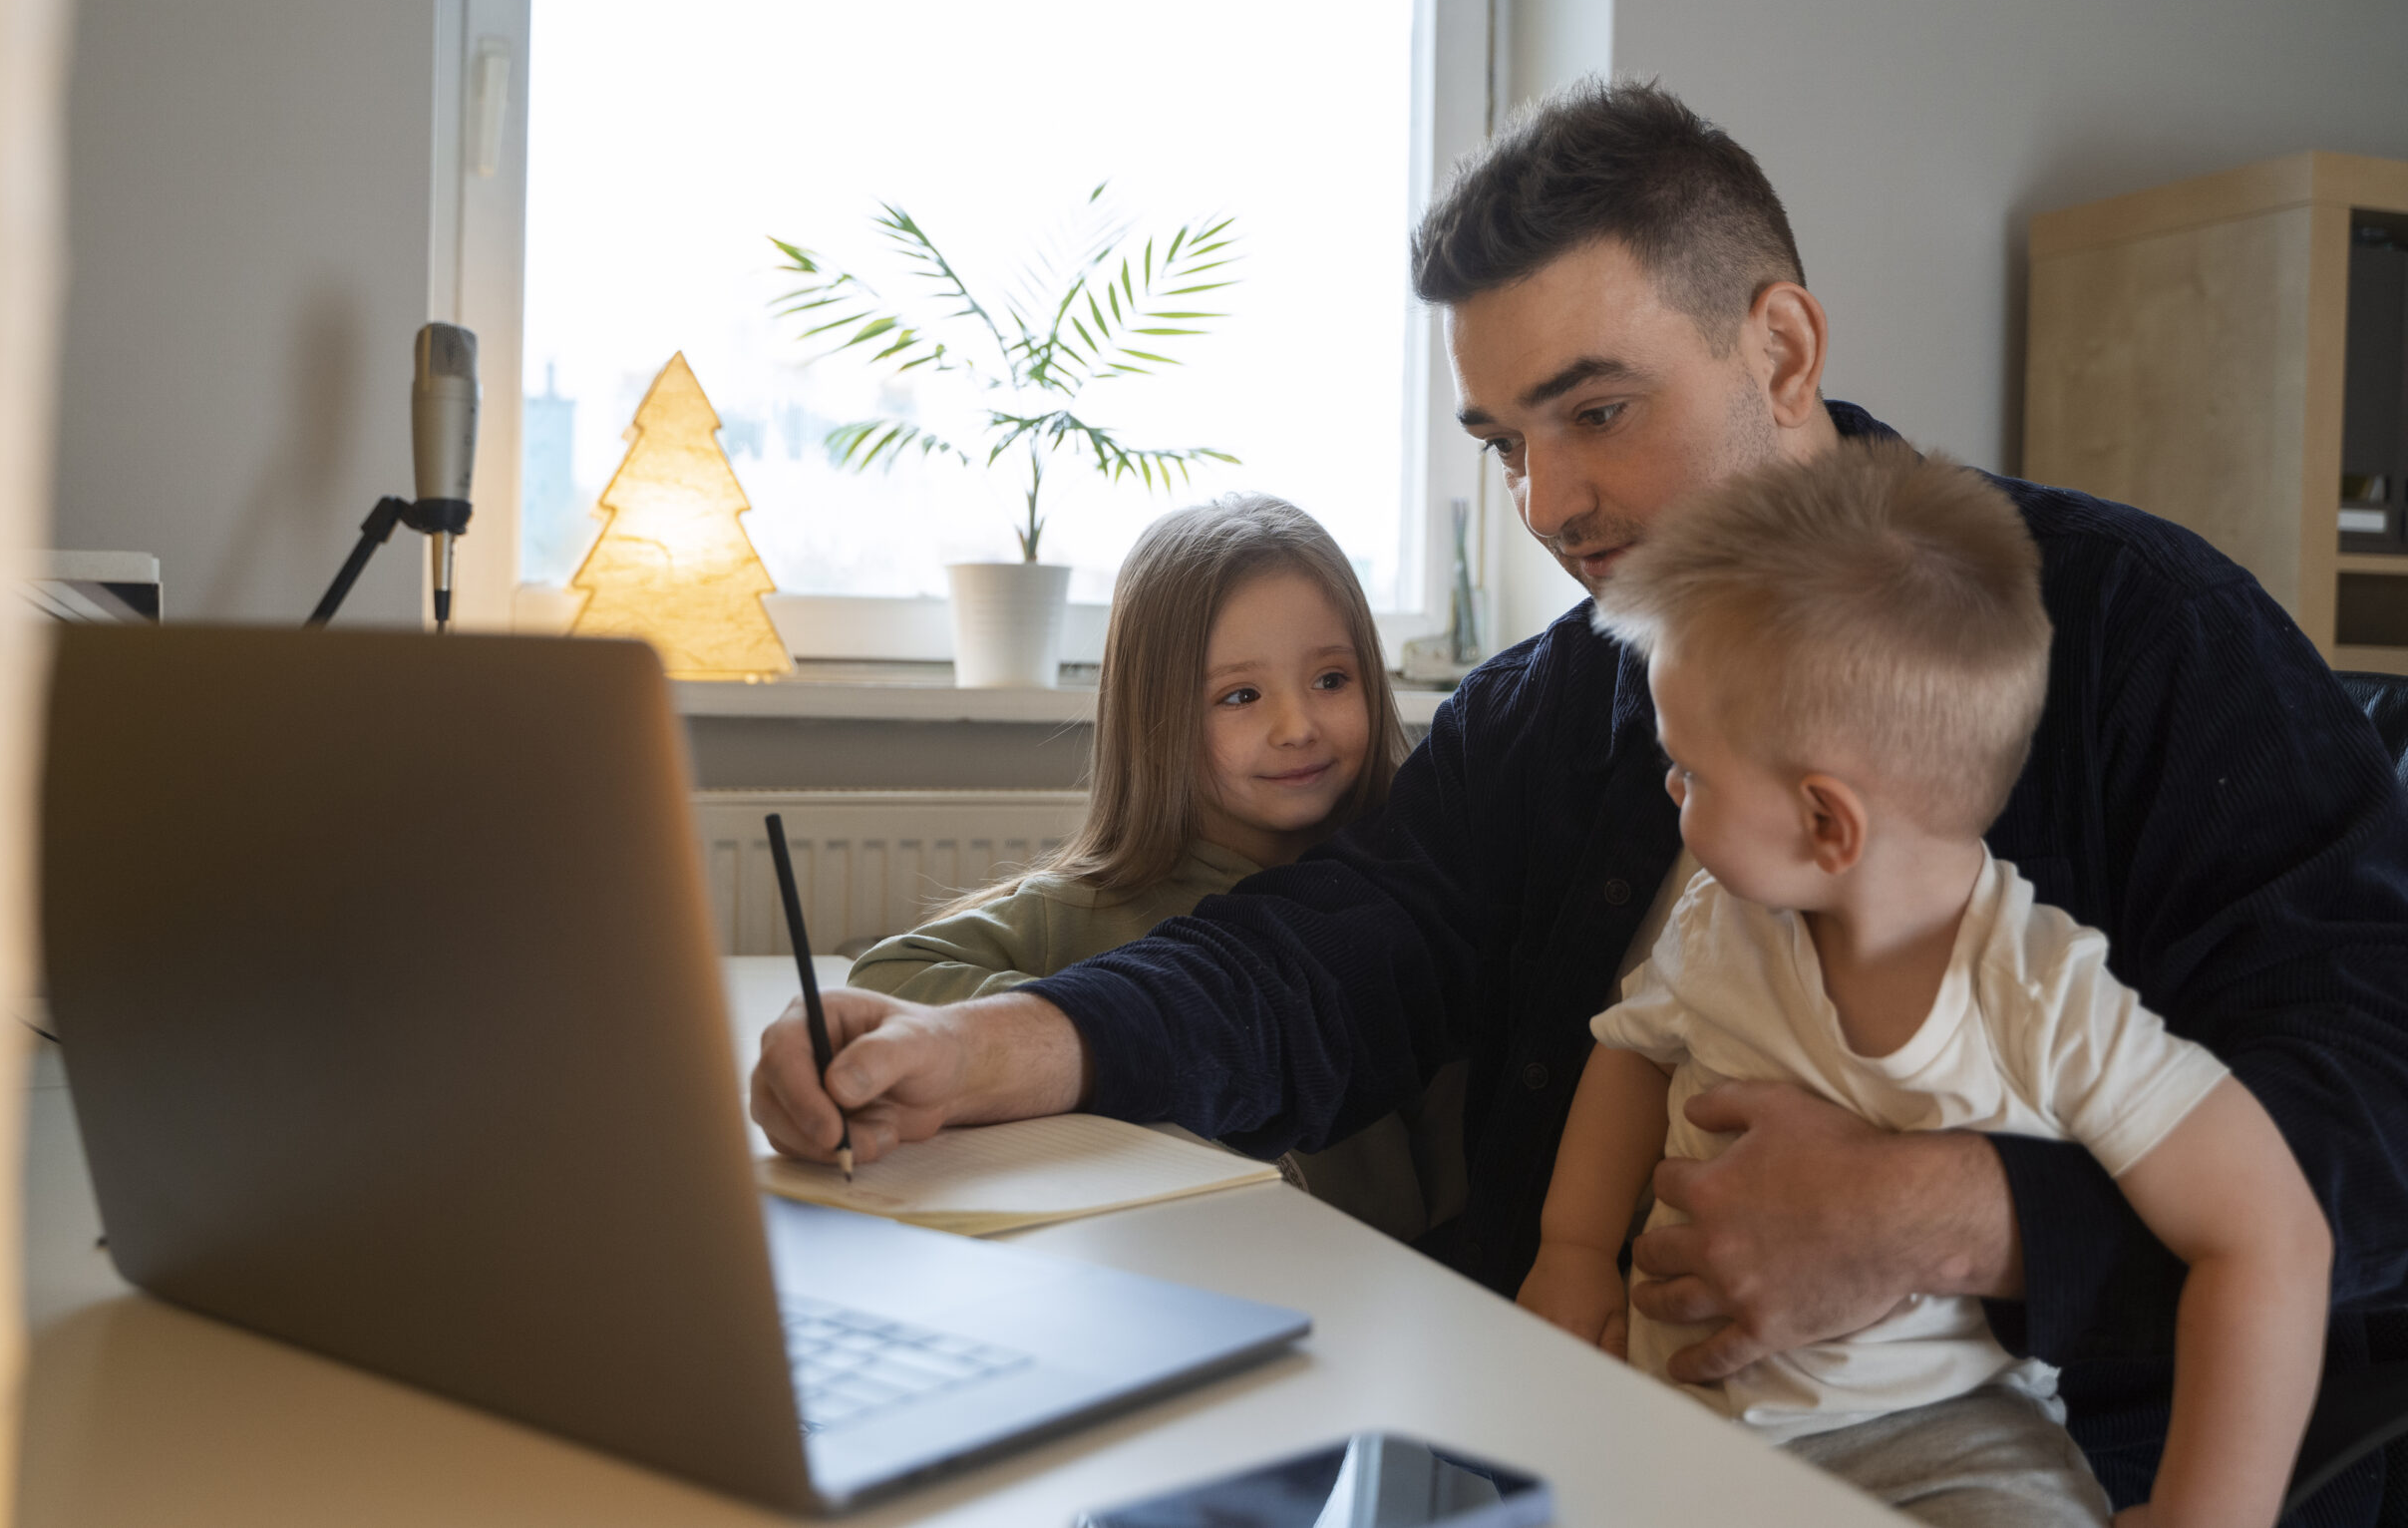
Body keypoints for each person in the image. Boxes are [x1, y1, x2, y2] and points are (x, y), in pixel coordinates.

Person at [752, 83, 2408, 1524]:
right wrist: (993, 1048)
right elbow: (1339, 950)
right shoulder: (1553, 700)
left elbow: (2376, 1095)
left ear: (1781, 347)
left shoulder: (2134, 633)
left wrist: (1954, 1215)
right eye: (1502, 442)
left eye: (1598, 413)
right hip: (1562, 1423)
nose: (1550, 503)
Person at [1521, 441, 2328, 1527]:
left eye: (1692, 772)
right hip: (1689, 1431)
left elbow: (2272, 1237)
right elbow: (1628, 1052)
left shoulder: (2041, 997)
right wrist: (1570, 1248)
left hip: (1947, 1455)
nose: (1669, 787)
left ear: (1824, 821)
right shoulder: (1724, 922)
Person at [847, 494, 1462, 1239]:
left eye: (1332, 679)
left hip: (1388, 1297)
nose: (1297, 726)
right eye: (1240, 695)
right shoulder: (1088, 907)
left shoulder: (1404, 911)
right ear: (1157, 716)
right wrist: (1095, 1039)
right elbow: (889, 974)